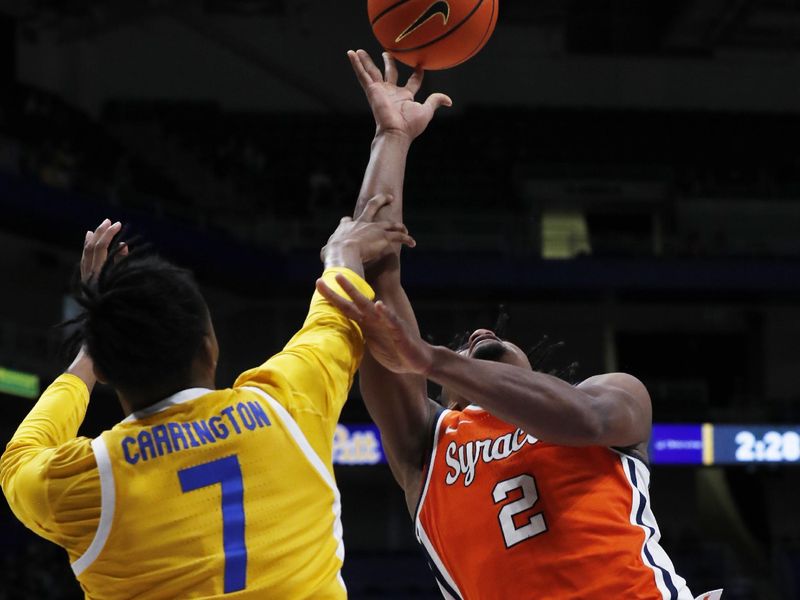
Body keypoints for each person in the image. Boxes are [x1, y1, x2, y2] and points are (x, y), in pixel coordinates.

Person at [337, 49, 722, 600]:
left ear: (534, 374)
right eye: (462, 351)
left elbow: (584, 421)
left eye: (480, 343)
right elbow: (374, 267)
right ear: (446, 397)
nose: (475, 337)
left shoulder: (611, 397)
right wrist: (391, 138)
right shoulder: (428, 446)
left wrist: (432, 358)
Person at [0, 198, 414, 599]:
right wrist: (342, 251)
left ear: (106, 371)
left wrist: (93, 344)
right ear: (209, 345)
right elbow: (334, 316)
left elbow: (20, 456)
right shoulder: (285, 406)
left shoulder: (89, 481)